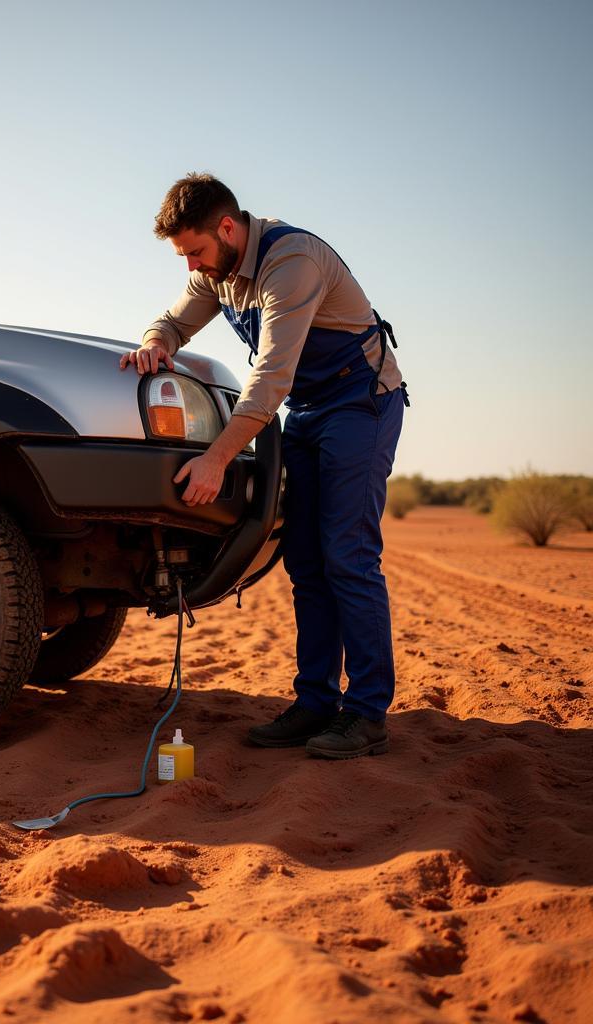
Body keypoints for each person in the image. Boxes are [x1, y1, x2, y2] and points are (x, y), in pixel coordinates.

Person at [121, 173, 407, 759]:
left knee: (347, 555)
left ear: (227, 228)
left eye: (195, 251)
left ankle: (369, 713)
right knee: (304, 560)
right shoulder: (216, 271)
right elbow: (173, 321)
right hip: (306, 410)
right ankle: (315, 703)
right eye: (183, 257)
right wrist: (156, 341)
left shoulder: (291, 260)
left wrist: (215, 460)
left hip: (361, 403)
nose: (191, 267)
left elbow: (271, 375)